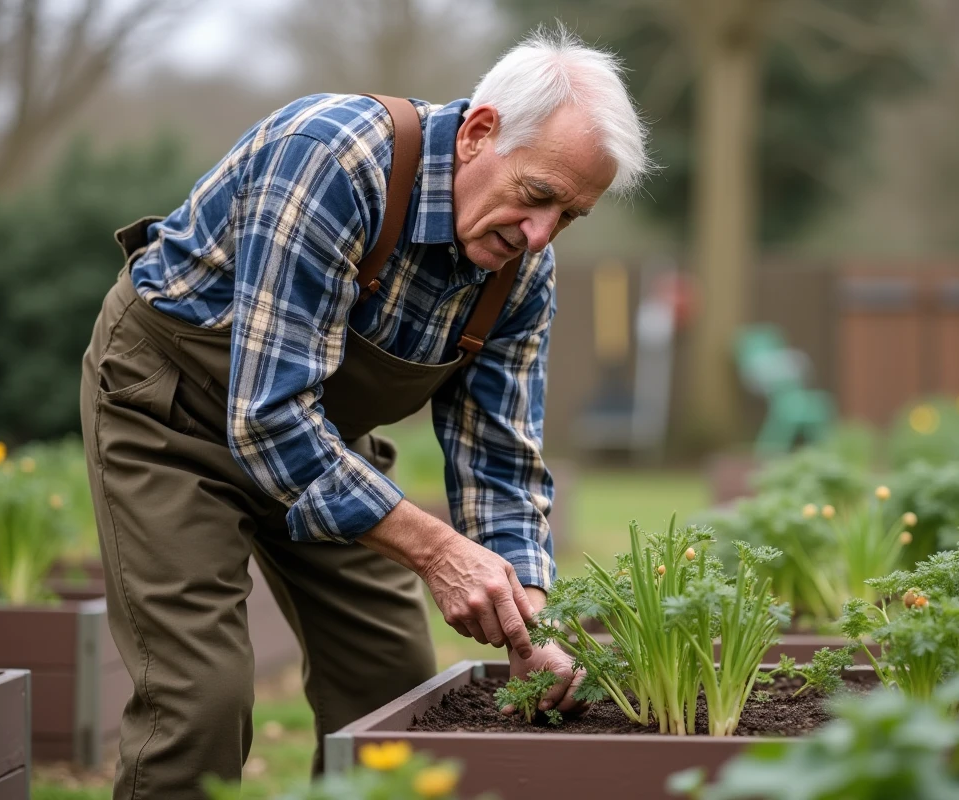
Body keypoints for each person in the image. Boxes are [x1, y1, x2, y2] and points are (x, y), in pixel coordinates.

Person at [80, 25, 650, 799]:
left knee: (394, 691)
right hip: (171, 417)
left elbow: (500, 462)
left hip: (318, 443)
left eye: (570, 217)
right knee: (201, 699)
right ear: (481, 133)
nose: (541, 234)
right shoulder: (332, 159)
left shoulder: (520, 274)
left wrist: (530, 623)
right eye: (539, 196)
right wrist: (439, 553)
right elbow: (268, 417)